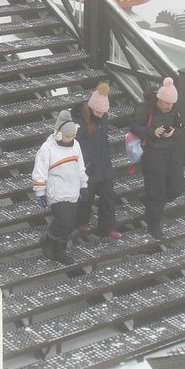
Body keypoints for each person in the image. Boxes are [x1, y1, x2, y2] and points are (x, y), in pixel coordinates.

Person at [131, 77, 185, 242]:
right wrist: (151, 132)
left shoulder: (174, 110)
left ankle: (150, 201)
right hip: (152, 154)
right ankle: (154, 224)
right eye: (166, 103)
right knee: (157, 191)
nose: (169, 106)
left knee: (177, 188)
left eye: (171, 104)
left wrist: (173, 133)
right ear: (159, 99)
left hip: (171, 152)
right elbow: (133, 126)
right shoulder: (145, 109)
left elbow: (183, 129)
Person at [32, 111, 89, 265]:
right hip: (57, 192)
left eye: (72, 136)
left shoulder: (75, 145)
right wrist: (40, 192)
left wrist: (83, 185)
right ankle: (51, 241)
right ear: (58, 134)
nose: (70, 139)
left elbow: (80, 167)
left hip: (73, 190)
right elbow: (40, 171)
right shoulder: (47, 149)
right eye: (67, 136)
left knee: (70, 224)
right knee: (64, 222)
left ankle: (58, 248)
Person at [71, 81, 122, 241]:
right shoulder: (79, 121)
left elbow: (104, 139)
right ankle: (81, 221)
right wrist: (85, 162)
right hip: (89, 165)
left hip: (103, 162)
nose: (101, 115)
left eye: (103, 112)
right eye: (98, 112)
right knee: (87, 196)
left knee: (108, 197)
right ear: (91, 107)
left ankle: (108, 227)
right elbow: (75, 143)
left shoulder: (103, 117)